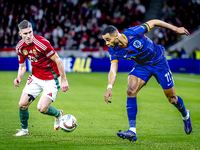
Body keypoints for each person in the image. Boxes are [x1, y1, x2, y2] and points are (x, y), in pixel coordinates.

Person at [102, 19, 192, 142]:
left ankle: (185, 114)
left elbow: (154, 22)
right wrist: (109, 87)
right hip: (142, 66)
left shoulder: (134, 32)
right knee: (130, 91)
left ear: (116, 35)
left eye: (108, 40)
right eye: (105, 41)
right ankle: (132, 131)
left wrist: (176, 29)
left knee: (172, 99)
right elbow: (113, 69)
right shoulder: (113, 49)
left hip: (159, 61)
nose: (106, 43)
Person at [14, 20, 69, 136]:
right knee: (22, 104)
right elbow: (22, 66)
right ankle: (24, 130)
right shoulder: (19, 47)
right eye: (25, 34)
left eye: (30, 32)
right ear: (20, 34)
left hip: (51, 79)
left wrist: (64, 80)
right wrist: (19, 77)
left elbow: (58, 60)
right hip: (35, 78)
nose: (29, 36)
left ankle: (58, 114)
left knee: (42, 108)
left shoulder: (42, 43)